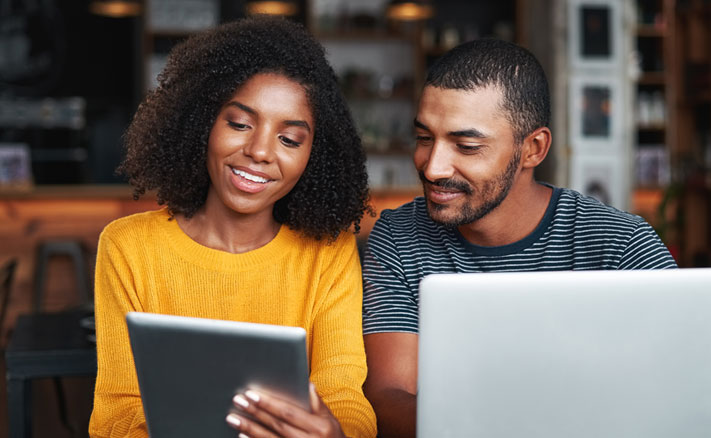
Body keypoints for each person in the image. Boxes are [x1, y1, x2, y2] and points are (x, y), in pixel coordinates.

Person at [360, 38, 677, 438]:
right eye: (424, 138)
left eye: (467, 146)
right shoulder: (399, 235)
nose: (433, 167)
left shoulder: (619, 242)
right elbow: (387, 399)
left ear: (533, 149)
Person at [89, 16, 377, 438]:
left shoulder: (327, 254)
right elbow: (113, 417)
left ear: (315, 155)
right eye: (240, 124)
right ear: (202, 121)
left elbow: (348, 402)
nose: (259, 151)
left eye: (290, 139)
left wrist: (332, 432)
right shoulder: (129, 247)